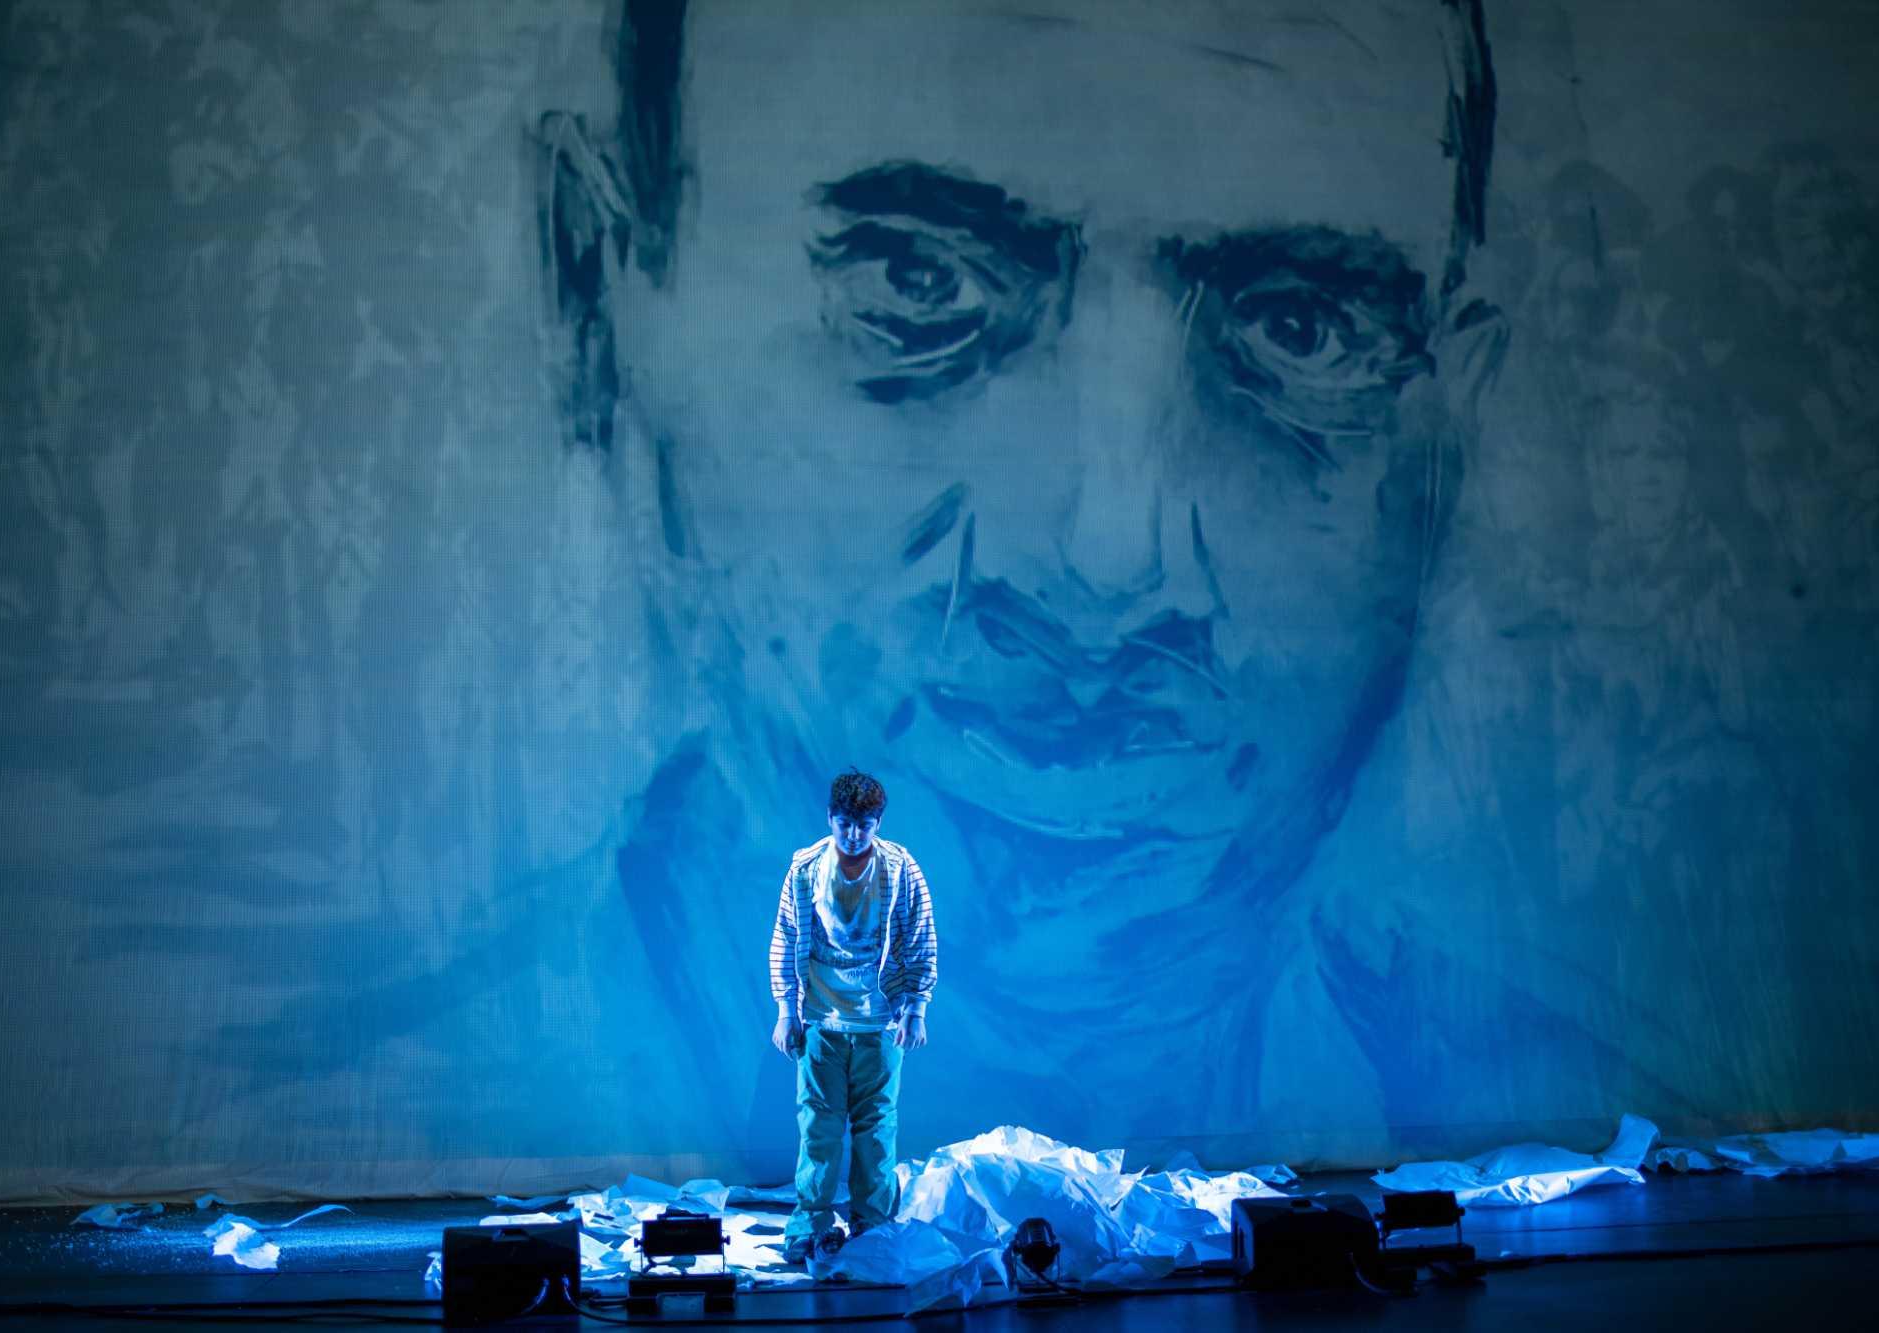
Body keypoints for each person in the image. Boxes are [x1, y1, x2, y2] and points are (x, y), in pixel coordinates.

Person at [538, 0, 1516, 1167]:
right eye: (915, 282)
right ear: (598, 305)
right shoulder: (469, 1108)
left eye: (1300, 330)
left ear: (1449, 441)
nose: (1109, 567)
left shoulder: (1525, 1112)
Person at [768, 768, 936, 1262]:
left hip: (879, 1019)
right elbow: (784, 938)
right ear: (830, 818)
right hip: (822, 1016)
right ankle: (810, 1224)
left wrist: (917, 1008)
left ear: (878, 823)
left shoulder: (901, 869)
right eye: (845, 823)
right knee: (818, 1128)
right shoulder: (805, 869)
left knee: (876, 1129)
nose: (854, 834)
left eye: (865, 824)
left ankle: (873, 1224)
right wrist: (785, 1010)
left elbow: (919, 936)